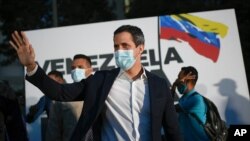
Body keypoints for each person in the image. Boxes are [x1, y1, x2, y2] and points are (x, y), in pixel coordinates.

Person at [9, 25, 182, 141]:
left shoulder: (159, 85)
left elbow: (172, 129)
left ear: (140, 48)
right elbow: (60, 92)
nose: (119, 51)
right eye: (116, 46)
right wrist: (31, 66)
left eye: (125, 46)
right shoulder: (101, 80)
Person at [45, 54, 93, 141]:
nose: (76, 70)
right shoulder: (61, 98)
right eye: (73, 68)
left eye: (80, 67)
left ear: (90, 70)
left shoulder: (101, 92)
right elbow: (53, 132)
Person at [171, 66, 209, 141]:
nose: (177, 80)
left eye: (179, 78)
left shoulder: (195, 99)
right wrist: (174, 85)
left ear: (188, 79)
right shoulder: (184, 99)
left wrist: (174, 86)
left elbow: (169, 108)